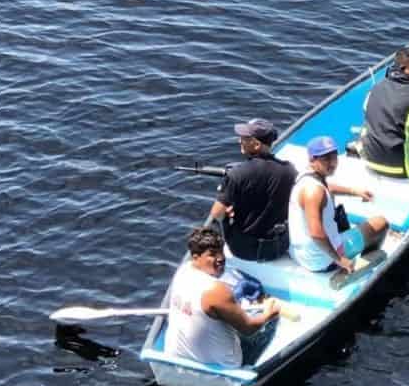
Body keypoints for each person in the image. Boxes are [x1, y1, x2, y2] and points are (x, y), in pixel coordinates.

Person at [164, 227, 280, 367]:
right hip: (224, 363)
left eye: (221, 252)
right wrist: (269, 314)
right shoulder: (217, 290)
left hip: (177, 355)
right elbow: (249, 329)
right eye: (212, 254)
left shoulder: (183, 270)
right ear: (196, 257)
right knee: (270, 322)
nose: (221, 258)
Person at [288, 136, 388, 273]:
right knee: (380, 223)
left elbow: (327, 187)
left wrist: (355, 191)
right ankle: (362, 264)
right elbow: (316, 234)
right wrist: (339, 259)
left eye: (334, 157)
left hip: (300, 253)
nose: (332, 163)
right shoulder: (314, 191)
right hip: (321, 260)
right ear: (312, 159)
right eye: (325, 159)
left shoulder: (306, 176)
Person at [209, 118, 296, 262]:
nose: (239, 141)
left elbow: (217, 213)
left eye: (244, 138)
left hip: (245, 251)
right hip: (279, 247)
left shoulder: (237, 174)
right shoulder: (290, 170)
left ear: (256, 144)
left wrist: (227, 215)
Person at [357, 46, 409, 178]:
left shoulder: (376, 88)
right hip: (400, 169)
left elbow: (366, 110)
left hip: (369, 161)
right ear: (403, 69)